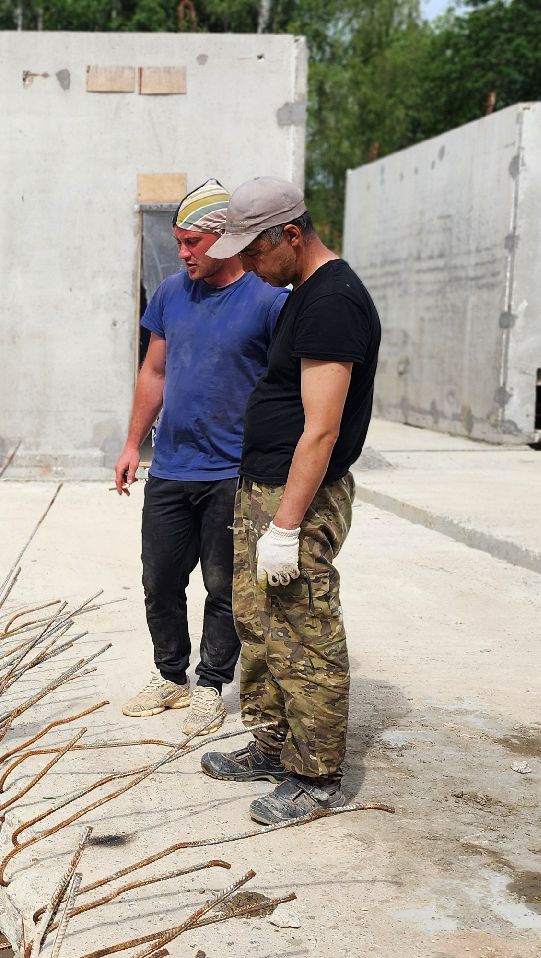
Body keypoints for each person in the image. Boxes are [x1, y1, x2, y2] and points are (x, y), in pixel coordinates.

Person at [196, 178, 381, 825]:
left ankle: (316, 776)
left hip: (298, 498)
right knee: (260, 625)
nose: (245, 265)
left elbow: (323, 428)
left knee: (304, 633)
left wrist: (286, 525)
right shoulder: (303, 295)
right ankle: (274, 744)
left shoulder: (334, 302)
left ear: (291, 235)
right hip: (267, 489)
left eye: (253, 251)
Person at [112, 178, 287, 737]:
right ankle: (170, 675)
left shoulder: (267, 299)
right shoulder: (169, 294)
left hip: (232, 474)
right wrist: (132, 445)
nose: (182, 253)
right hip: (171, 468)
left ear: (224, 240)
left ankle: (210, 684)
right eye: (178, 242)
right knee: (159, 580)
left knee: (223, 585)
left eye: (192, 242)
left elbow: (291, 386)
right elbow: (154, 372)